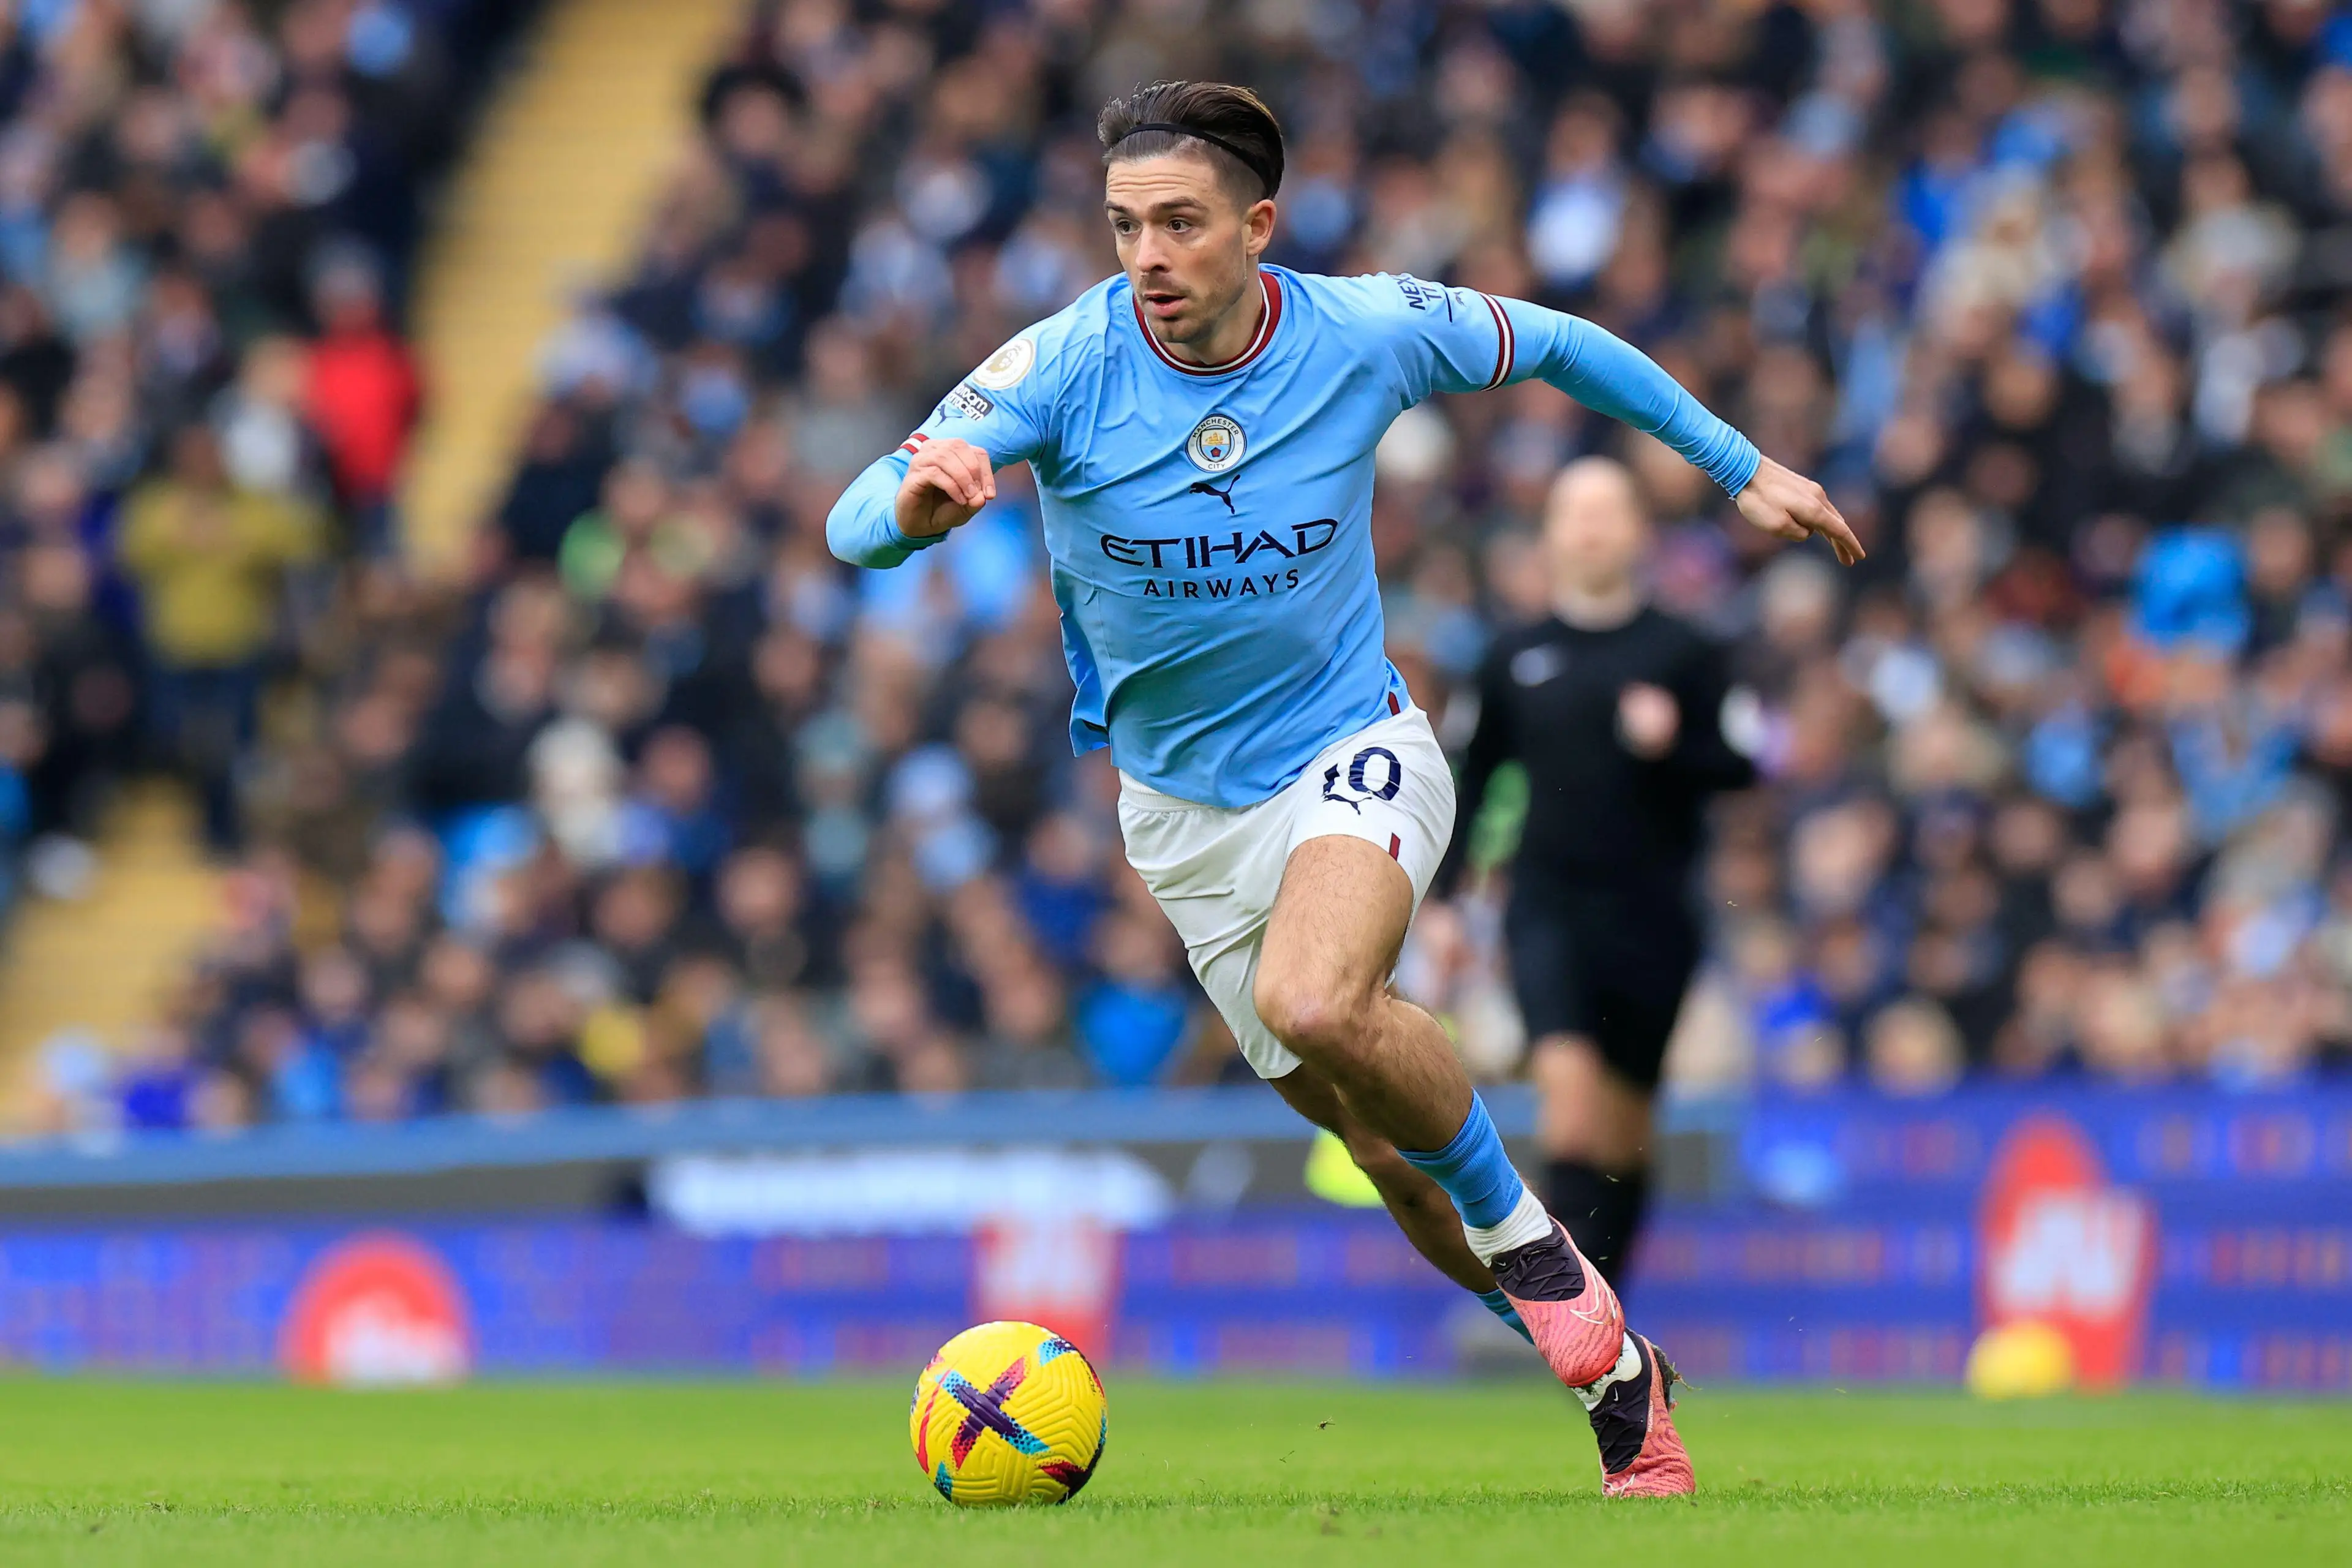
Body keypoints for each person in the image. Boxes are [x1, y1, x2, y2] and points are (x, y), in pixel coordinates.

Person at [827, 80, 1862, 1497]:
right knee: (1384, 1151)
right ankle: (1619, 1370)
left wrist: (1740, 468)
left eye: (1181, 224)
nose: (1147, 254)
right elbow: (852, 520)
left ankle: (1556, 1269)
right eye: (1126, 224)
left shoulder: (1367, 329)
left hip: (1350, 747)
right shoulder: (1060, 366)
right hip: (1181, 820)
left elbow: (1559, 343)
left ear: (1259, 226)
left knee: (1323, 996)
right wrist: (915, 507)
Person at [1442, 456, 1757, 1297]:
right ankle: (1563, 1312)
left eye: (1607, 510)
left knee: (1625, 1131)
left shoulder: (1686, 650)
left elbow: (1741, 764)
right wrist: (1443, 899)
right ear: (1549, 533)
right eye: (1572, 510)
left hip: (1655, 917)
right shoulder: (1513, 655)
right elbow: (1471, 779)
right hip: (1548, 905)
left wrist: (1674, 745)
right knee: (1571, 1102)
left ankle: (1606, 1307)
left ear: (1637, 531)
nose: (1589, 526)